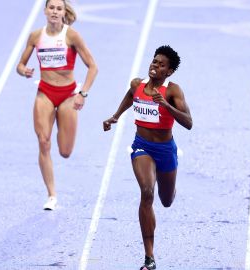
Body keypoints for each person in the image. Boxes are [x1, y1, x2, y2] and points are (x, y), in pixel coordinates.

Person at [103, 45, 192, 270]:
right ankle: (149, 258)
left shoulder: (173, 91)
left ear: (169, 72)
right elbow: (130, 96)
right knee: (146, 192)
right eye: (154, 61)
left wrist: (166, 106)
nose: (155, 66)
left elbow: (188, 123)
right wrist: (114, 116)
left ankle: (170, 188)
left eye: (161, 65)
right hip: (142, 147)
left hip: (165, 150)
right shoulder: (137, 84)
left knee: (166, 200)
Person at [16, 0, 98, 210]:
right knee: (43, 142)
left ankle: (63, 128)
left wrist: (82, 94)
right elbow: (20, 64)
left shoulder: (71, 36)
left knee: (65, 151)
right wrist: (23, 70)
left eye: (58, 8)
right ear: (45, 11)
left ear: (63, 13)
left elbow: (92, 67)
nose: (54, 11)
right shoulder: (36, 36)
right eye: (51, 7)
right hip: (45, 92)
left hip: (68, 95)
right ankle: (52, 195)